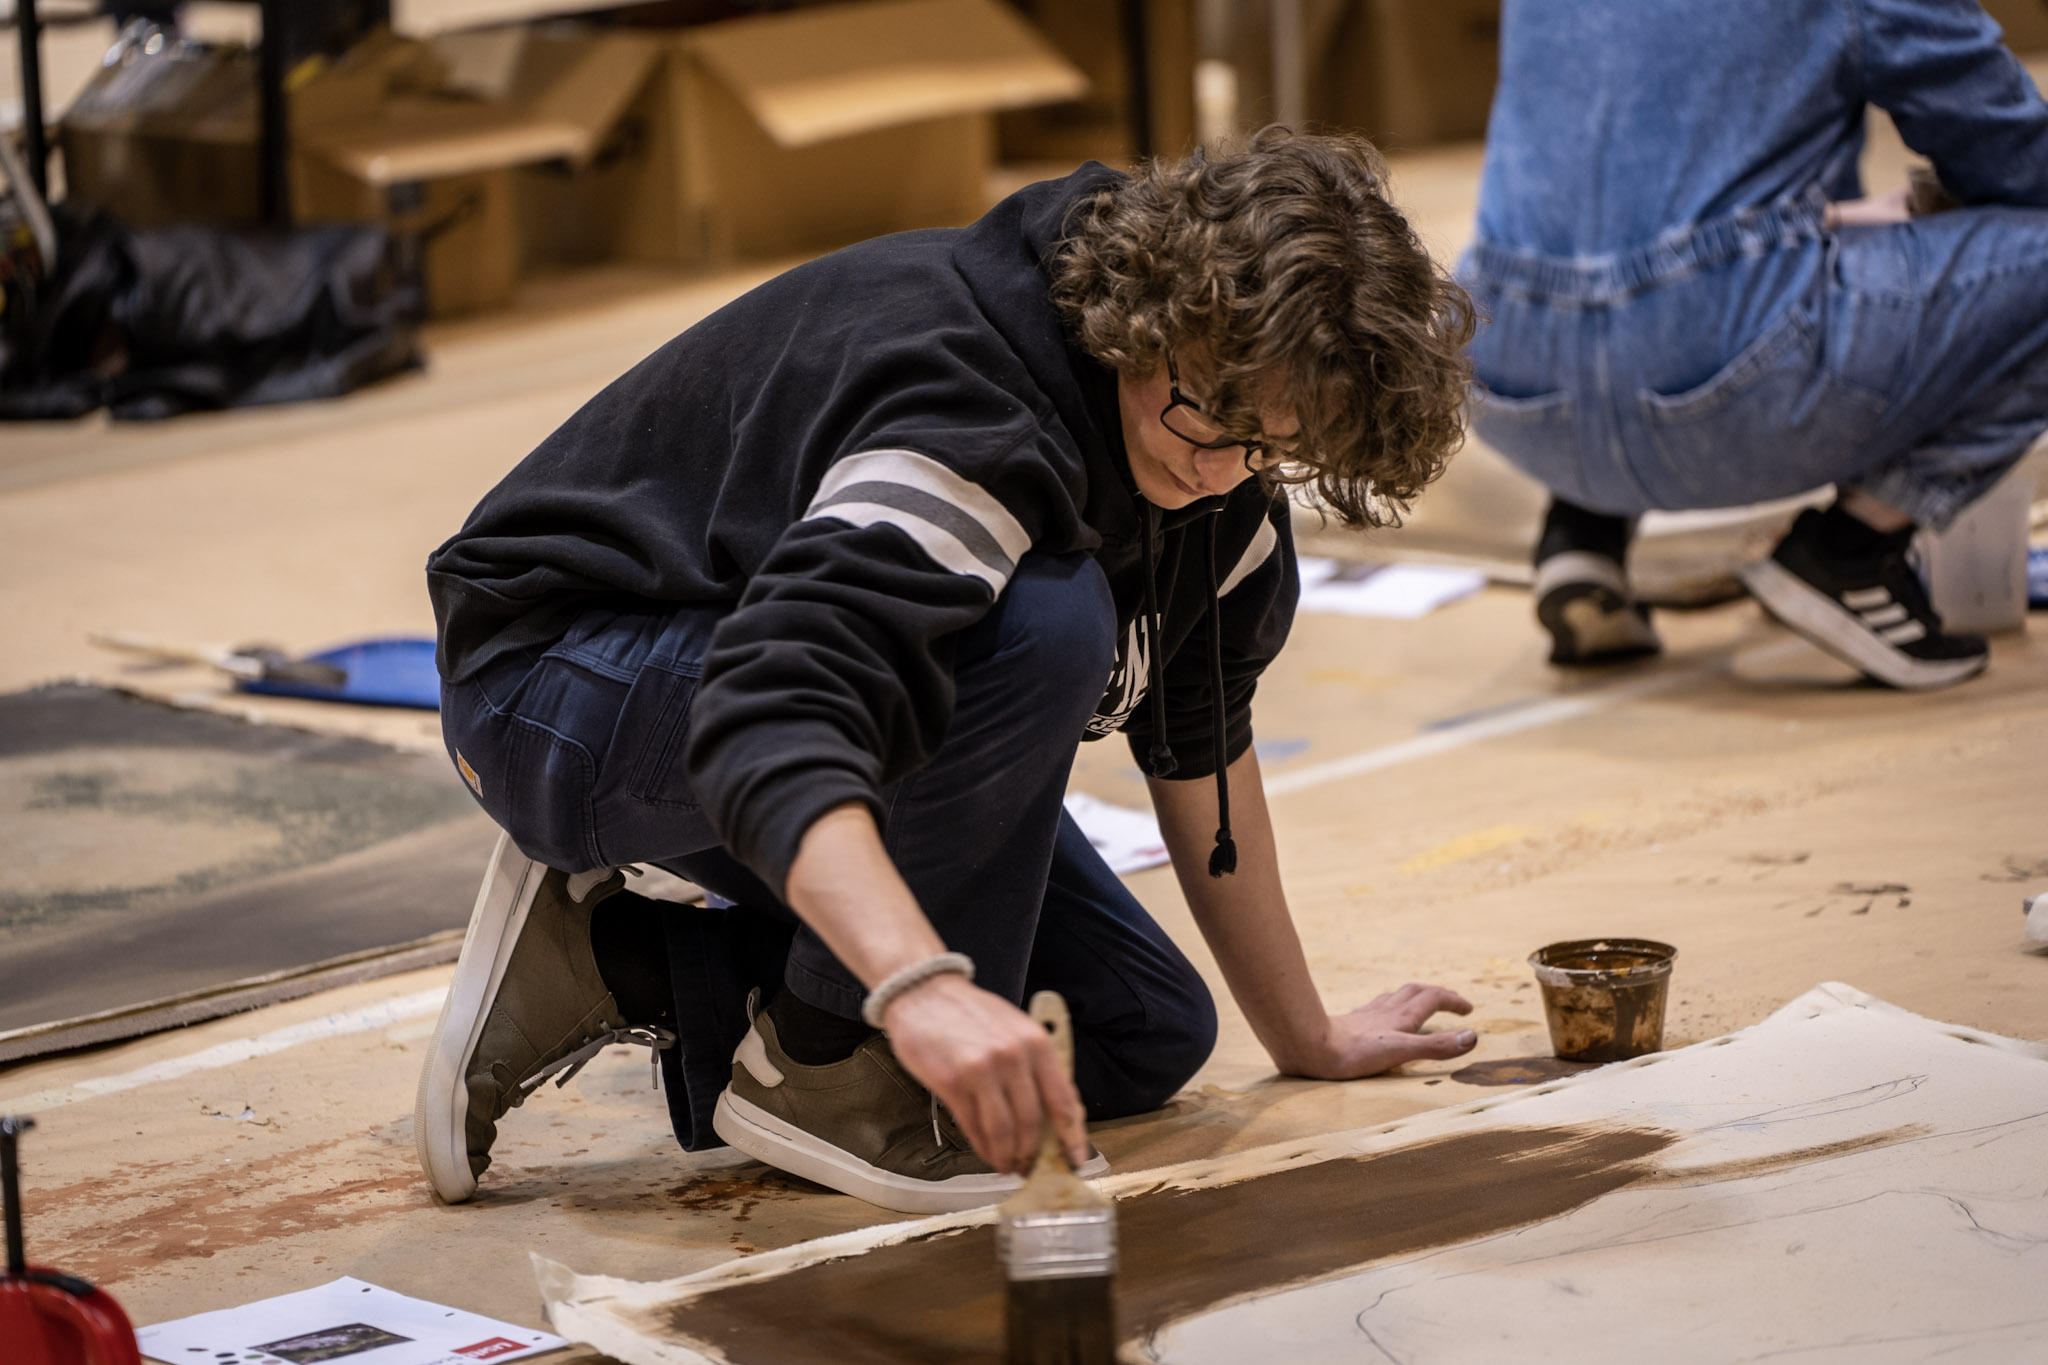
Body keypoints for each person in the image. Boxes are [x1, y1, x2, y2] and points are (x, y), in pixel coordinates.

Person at [413, 129, 1480, 1214]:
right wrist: (913, 991)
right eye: (1205, 414)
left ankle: (614, 954)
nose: (1219, 472)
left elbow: (1202, 744)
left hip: (752, 683)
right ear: (1147, 318)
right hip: (557, 685)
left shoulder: (1221, 471)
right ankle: (828, 1069)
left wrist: (1306, 1036)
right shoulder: (969, 421)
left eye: (1270, 443)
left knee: (1138, 1028)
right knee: (1043, 619)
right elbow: (767, 720)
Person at [1462, 0, 2048, 687]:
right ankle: (1854, 549)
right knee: (1710, 281)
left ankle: (1584, 530)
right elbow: (2007, 152)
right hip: (1720, 386)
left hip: (1503, 376)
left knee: (1634, 214)